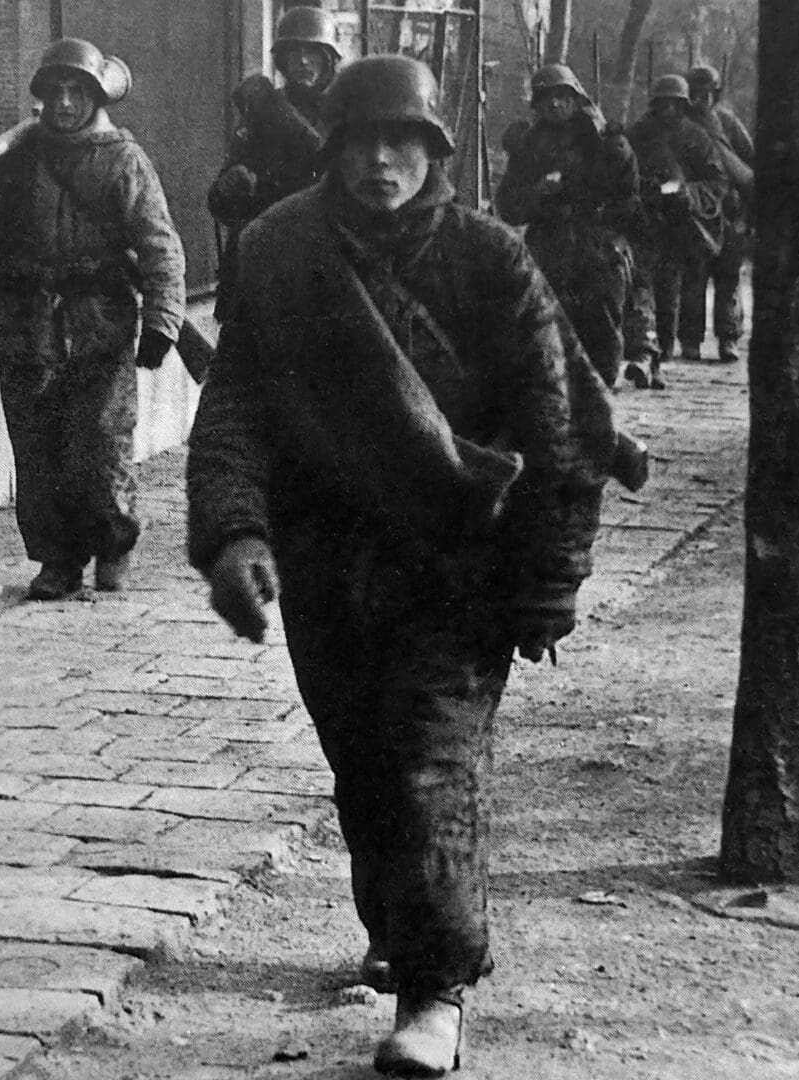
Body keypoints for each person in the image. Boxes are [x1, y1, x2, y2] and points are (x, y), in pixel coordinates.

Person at [186, 54, 643, 1077]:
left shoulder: (489, 258)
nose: (382, 160)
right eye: (361, 141)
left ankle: (433, 992)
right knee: (365, 772)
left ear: (434, 152)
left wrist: (550, 579)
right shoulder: (279, 250)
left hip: (458, 569)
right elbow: (238, 408)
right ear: (334, 149)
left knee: (431, 768)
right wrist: (235, 536)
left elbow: (556, 424)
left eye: (404, 142)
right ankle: (398, 926)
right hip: (330, 566)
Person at [0, 37, 186, 600]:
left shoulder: (123, 160)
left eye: (78, 91)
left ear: (97, 96)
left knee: (100, 447)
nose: (66, 102)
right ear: (42, 97)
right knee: (38, 452)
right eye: (56, 91)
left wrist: (164, 320)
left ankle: (113, 543)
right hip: (25, 327)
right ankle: (57, 559)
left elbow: (159, 244)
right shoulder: (16, 160)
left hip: (101, 324)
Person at [494, 63, 638, 386]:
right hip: (549, 238)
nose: (555, 105)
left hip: (596, 239)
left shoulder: (602, 139)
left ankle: (603, 384)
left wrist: (614, 162)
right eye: (547, 99)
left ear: (576, 99)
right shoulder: (529, 146)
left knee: (601, 314)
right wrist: (539, 192)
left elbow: (628, 194)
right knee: (543, 314)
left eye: (562, 97)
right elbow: (509, 204)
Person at [209, 3, 341, 316]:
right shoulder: (261, 112)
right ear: (282, 59)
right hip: (264, 252)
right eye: (295, 52)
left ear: (329, 59)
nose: (304, 61)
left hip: (322, 257)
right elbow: (223, 197)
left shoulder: (343, 114)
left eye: (313, 52)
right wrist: (229, 187)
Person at [625, 72, 732, 389]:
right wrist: (644, 189)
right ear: (654, 104)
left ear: (684, 106)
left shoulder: (697, 137)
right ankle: (644, 353)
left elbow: (718, 182)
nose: (669, 111)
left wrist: (688, 191)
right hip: (643, 221)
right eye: (663, 104)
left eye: (675, 104)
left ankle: (663, 355)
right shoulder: (637, 135)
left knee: (669, 293)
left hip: (679, 227)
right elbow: (619, 171)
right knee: (640, 289)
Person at [681, 63, 753, 365]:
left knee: (728, 276)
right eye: (694, 94)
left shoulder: (727, 122)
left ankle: (728, 337)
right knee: (693, 277)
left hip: (728, 211)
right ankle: (690, 339)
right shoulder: (681, 127)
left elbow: (748, 161)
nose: (700, 100)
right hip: (695, 210)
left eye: (706, 94)